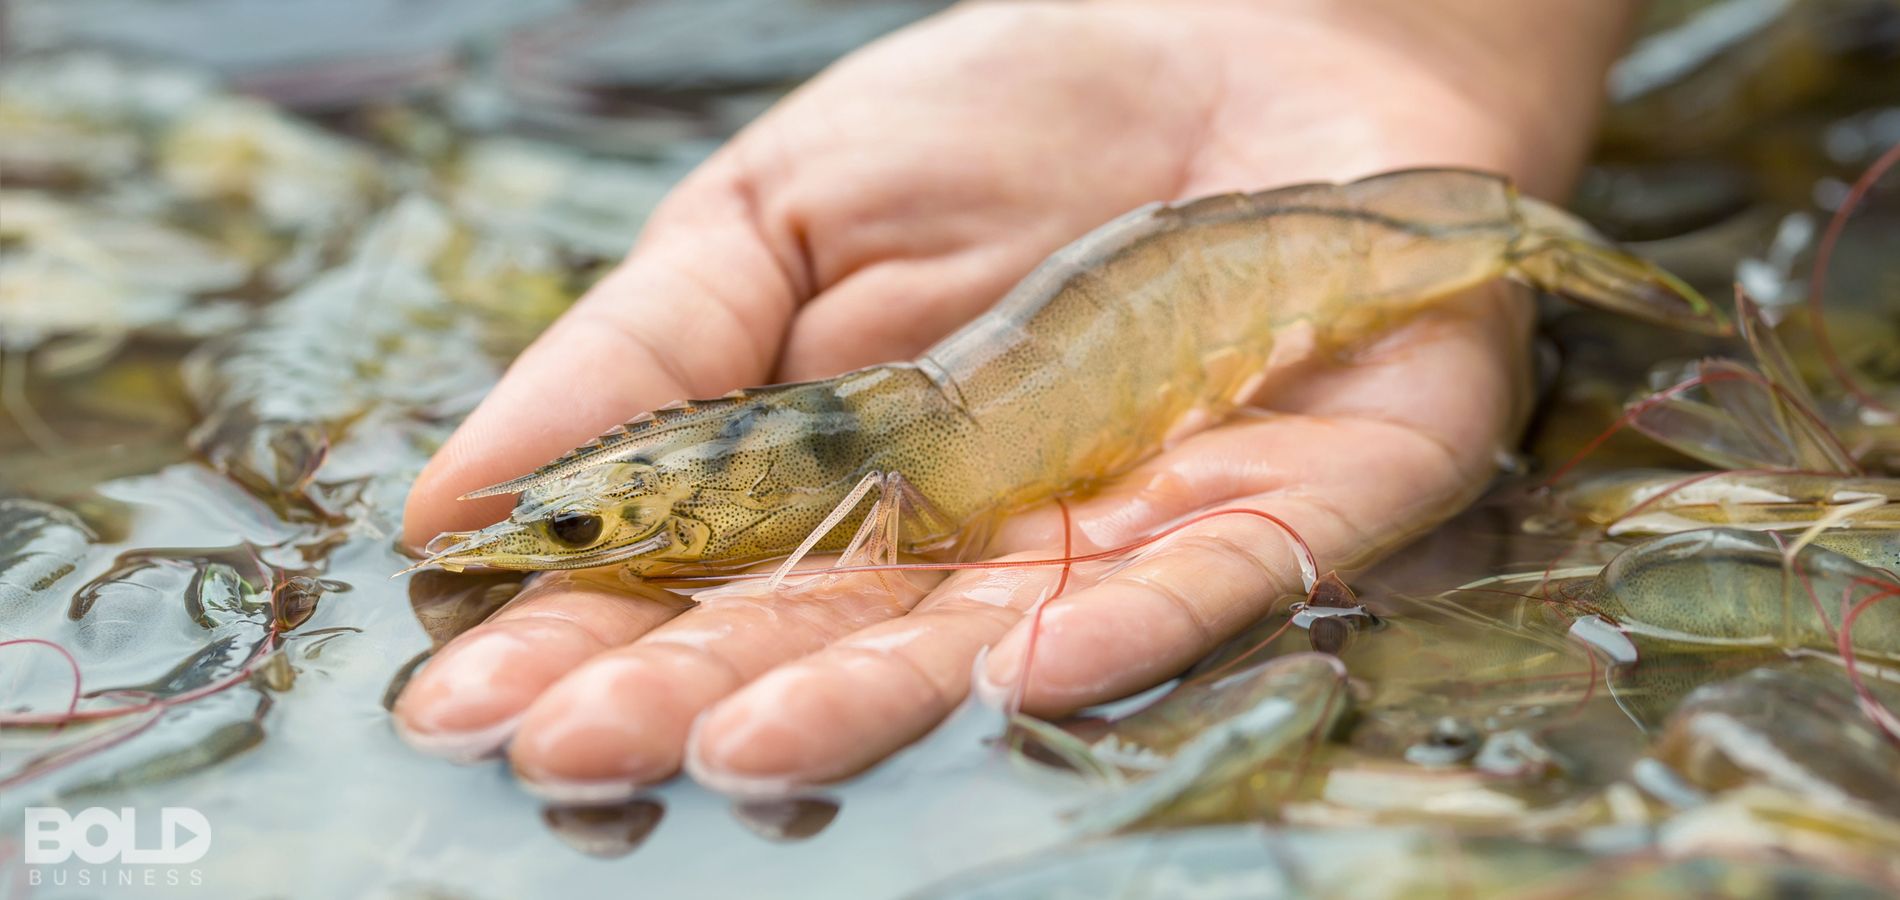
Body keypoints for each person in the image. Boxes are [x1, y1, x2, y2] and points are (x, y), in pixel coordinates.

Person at [392, 0, 1637, 800]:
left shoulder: (861, 466)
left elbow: (878, 494)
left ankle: (1495, 235)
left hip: (1205, 283)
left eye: (577, 526)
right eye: (575, 523)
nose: (560, 539)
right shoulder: (789, 448)